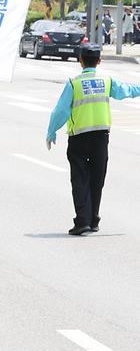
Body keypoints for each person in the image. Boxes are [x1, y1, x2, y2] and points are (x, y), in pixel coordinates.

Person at [46, 43, 140, 235]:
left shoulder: (74, 83)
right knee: (97, 178)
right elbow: (126, 90)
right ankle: (93, 219)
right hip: (101, 136)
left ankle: (82, 221)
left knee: (80, 179)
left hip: (79, 137)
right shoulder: (107, 81)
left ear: (80, 61)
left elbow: (61, 111)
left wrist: (52, 131)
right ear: (99, 61)